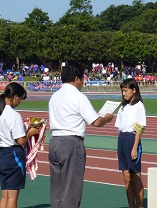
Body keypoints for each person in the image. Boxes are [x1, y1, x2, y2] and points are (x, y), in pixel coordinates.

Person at [48, 62, 114, 208]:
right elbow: (96, 122)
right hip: (71, 142)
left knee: (57, 189)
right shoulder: (78, 96)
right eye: (83, 79)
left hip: (54, 141)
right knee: (71, 190)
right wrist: (107, 118)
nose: (83, 82)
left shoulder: (55, 96)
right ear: (77, 79)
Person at [0, 82, 40, 208]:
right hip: (13, 155)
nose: (19, 102)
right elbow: (20, 140)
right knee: (12, 197)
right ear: (15, 96)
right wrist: (30, 133)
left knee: (5, 195)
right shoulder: (13, 115)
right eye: (20, 99)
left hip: (1, 154)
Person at [115, 78, 147, 208]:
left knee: (135, 177)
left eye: (126, 90)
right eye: (122, 91)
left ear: (134, 90)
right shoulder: (123, 107)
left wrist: (134, 147)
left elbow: (140, 127)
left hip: (132, 139)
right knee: (126, 177)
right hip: (122, 139)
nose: (124, 93)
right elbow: (119, 126)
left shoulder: (139, 106)